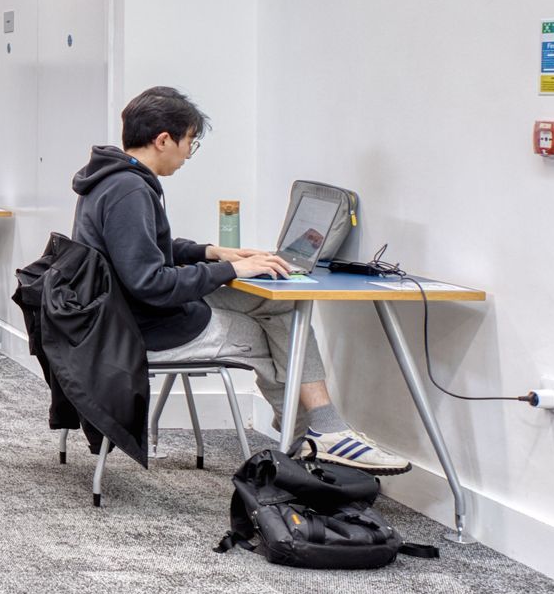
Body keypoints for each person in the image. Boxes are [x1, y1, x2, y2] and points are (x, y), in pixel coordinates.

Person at [69, 87, 408, 473]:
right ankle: (316, 437)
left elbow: (145, 249)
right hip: (145, 326)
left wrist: (214, 253)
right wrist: (231, 271)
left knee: (280, 304)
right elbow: (150, 281)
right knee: (273, 333)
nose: (187, 156)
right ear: (164, 140)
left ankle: (317, 433)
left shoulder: (110, 178)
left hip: (128, 314)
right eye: (189, 144)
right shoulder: (129, 189)